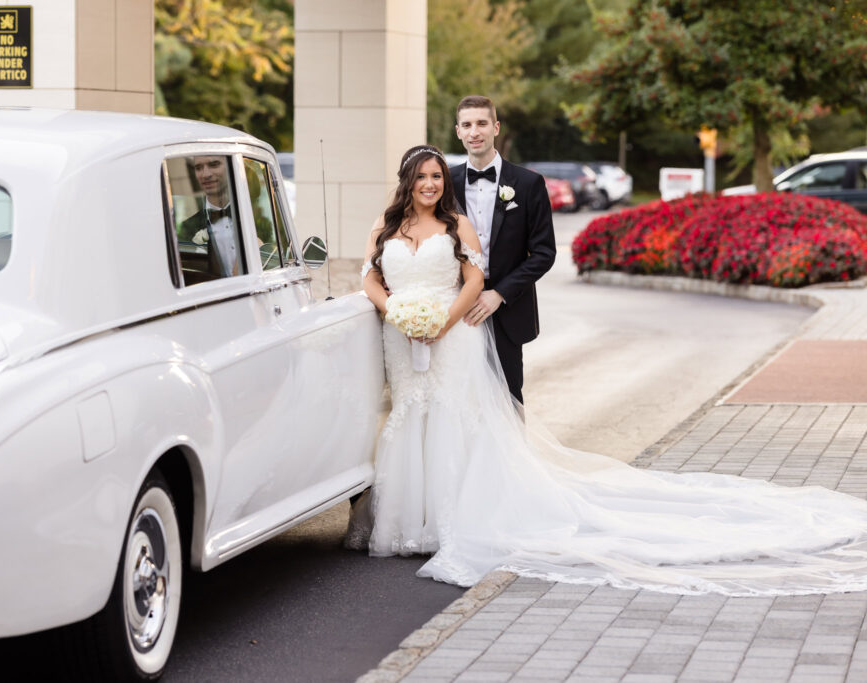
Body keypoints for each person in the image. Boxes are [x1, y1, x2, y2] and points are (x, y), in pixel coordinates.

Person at [346, 142, 867, 596]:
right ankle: (401, 524)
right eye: (423, 178)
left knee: (452, 420)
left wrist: (441, 323)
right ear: (407, 183)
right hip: (402, 335)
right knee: (409, 416)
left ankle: (445, 523)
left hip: (450, 335)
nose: (432, 184)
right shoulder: (386, 225)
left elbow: (473, 281)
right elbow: (369, 277)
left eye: (438, 176)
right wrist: (395, 312)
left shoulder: (456, 224)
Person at [448, 95, 556, 403]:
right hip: (457, 307)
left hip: (507, 309)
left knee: (508, 399)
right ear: (458, 131)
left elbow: (544, 252)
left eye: (482, 123)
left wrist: (500, 293)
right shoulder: (444, 183)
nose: (474, 132)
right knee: (459, 398)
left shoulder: (528, 183)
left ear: (495, 127)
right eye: (467, 125)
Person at [178, 155, 239, 277]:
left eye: (214, 164)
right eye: (198, 167)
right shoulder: (187, 228)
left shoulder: (253, 214)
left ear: (231, 165)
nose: (205, 174)